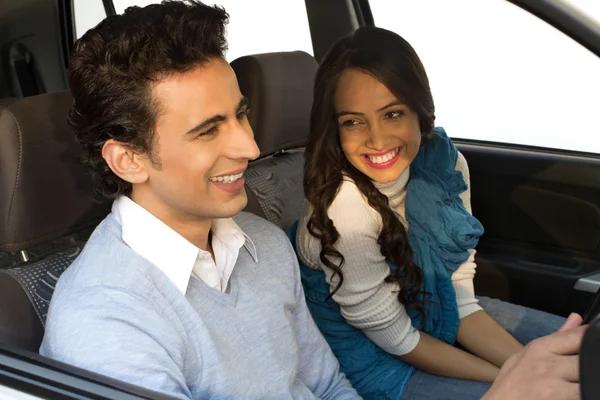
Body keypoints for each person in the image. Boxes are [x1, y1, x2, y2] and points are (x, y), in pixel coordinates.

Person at [39, 2, 360, 399]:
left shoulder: (265, 243)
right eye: (208, 132)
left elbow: (327, 386)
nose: (251, 147)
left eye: (240, 115)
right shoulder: (105, 323)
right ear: (129, 160)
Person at [292, 25, 569, 399]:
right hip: (377, 362)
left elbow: (458, 298)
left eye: (393, 114)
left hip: (432, 312)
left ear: (420, 109)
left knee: (580, 359)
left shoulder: (444, 166)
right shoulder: (346, 210)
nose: (376, 140)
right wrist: (515, 376)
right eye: (353, 121)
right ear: (335, 127)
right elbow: (397, 339)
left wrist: (531, 365)